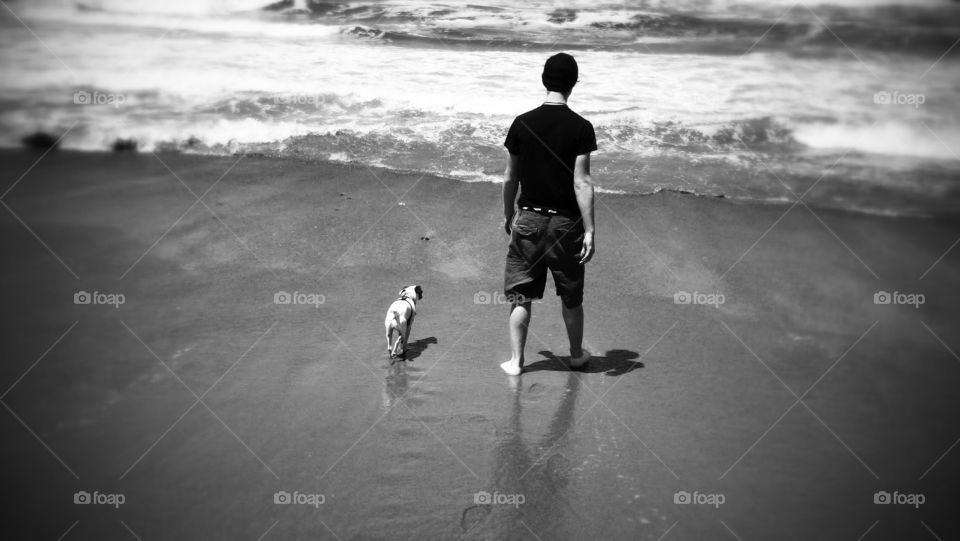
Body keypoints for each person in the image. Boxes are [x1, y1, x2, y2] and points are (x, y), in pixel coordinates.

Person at [500, 52, 597, 376]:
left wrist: (508, 215)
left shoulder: (522, 123)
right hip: (566, 224)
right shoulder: (581, 127)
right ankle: (576, 356)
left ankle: (517, 362)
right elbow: (582, 182)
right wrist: (589, 229)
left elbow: (510, 177)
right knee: (571, 296)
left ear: (544, 80)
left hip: (528, 218)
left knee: (521, 296)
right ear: (574, 83)